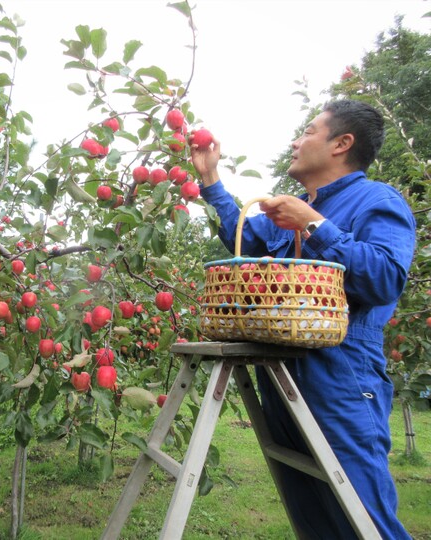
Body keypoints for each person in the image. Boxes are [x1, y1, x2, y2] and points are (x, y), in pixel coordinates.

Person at [190, 99, 416, 539]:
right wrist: (210, 178)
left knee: (360, 512)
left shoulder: (377, 200)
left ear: (341, 143)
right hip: (282, 370)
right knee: (311, 507)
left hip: (341, 369)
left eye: (309, 131)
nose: (297, 140)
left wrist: (313, 224)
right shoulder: (292, 210)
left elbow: (385, 277)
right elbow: (245, 238)